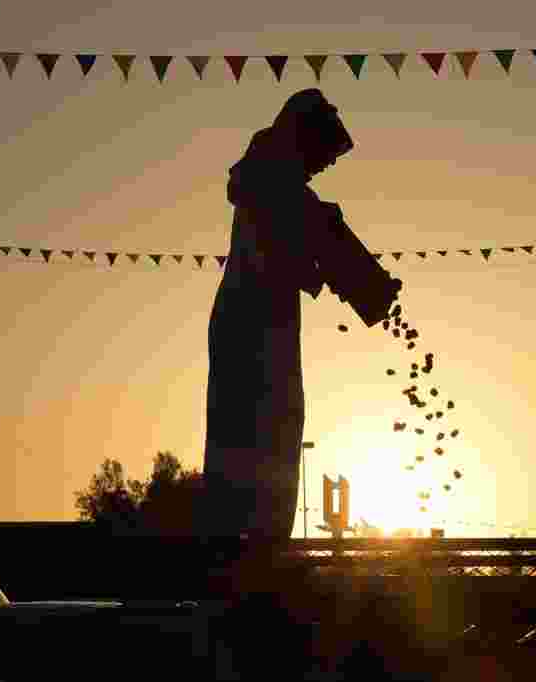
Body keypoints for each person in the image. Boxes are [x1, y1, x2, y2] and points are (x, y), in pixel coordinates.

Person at [198, 89, 390, 552]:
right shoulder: (272, 185)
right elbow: (295, 236)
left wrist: (335, 252)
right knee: (261, 430)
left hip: (262, 322)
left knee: (271, 428)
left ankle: (256, 543)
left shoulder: (276, 186)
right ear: (305, 140)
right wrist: (341, 257)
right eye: (325, 153)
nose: (327, 164)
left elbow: (303, 239)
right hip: (253, 327)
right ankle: (249, 547)